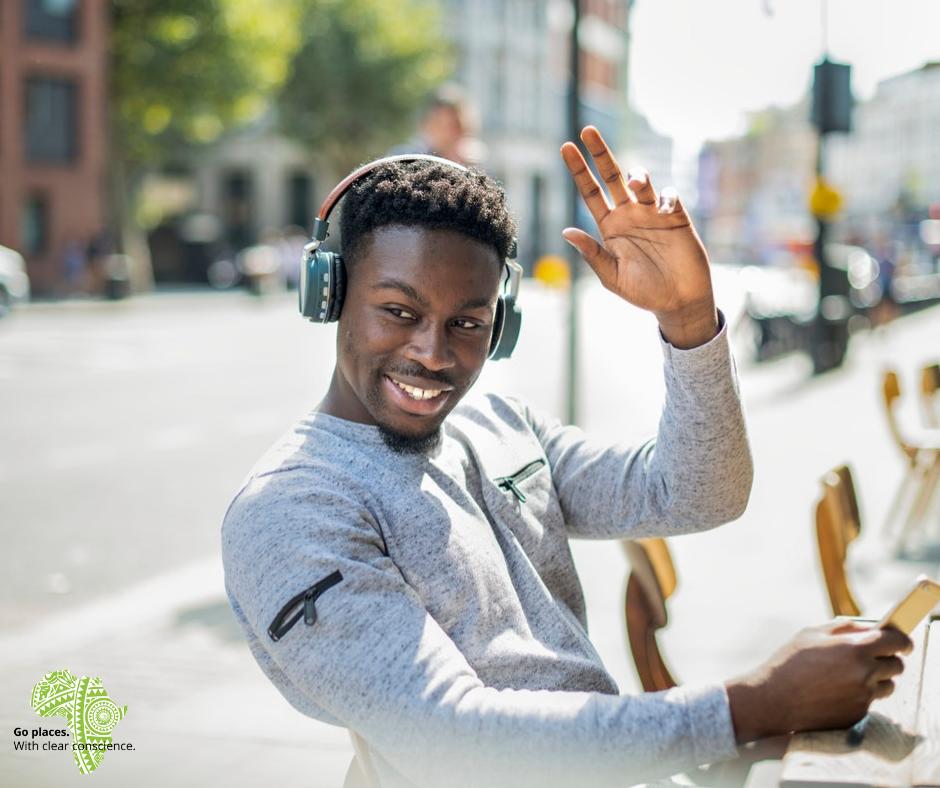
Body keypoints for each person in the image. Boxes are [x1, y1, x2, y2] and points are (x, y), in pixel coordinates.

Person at [221, 127, 911, 787]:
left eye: (468, 323)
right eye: (398, 312)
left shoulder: (497, 424)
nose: (433, 354)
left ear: (501, 326)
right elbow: (453, 742)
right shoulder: (293, 508)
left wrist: (689, 318)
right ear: (331, 295)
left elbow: (701, 492)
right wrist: (755, 704)